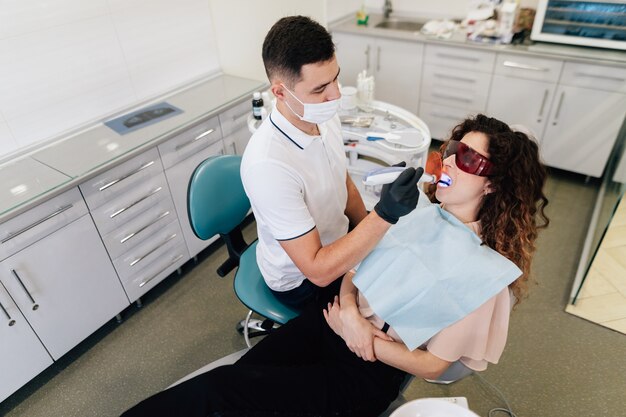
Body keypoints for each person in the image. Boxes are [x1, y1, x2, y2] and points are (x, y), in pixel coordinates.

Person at [121, 114, 550, 417]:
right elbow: (353, 270)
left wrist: (363, 336)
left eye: (471, 160)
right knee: (244, 377)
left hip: (367, 370)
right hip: (332, 318)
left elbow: (436, 366)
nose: (452, 161)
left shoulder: (485, 274)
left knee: (218, 392)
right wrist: (347, 310)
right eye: (454, 149)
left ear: (494, 184)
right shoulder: (418, 210)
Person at [240, 15, 423, 307]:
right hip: (302, 280)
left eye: (335, 77)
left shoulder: (322, 114)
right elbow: (318, 271)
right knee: (391, 313)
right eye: (319, 88)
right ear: (279, 92)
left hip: (337, 241)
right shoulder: (268, 166)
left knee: (405, 270)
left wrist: (374, 234)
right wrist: (384, 215)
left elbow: (344, 183)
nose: (335, 94)